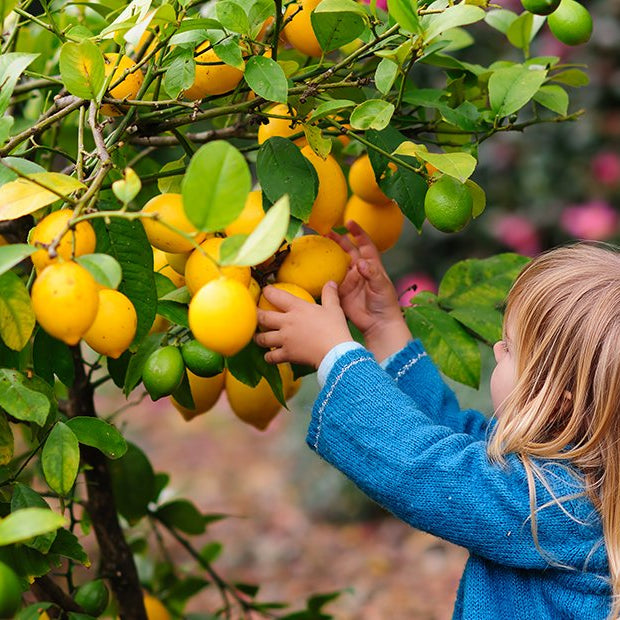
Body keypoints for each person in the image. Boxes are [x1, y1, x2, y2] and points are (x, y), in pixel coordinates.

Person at [255, 221, 619, 620]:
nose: (496, 348)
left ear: (559, 406)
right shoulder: (573, 473)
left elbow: (425, 467)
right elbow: (452, 439)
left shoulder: (561, 506)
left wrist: (336, 357)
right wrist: (384, 328)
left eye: (512, 349)